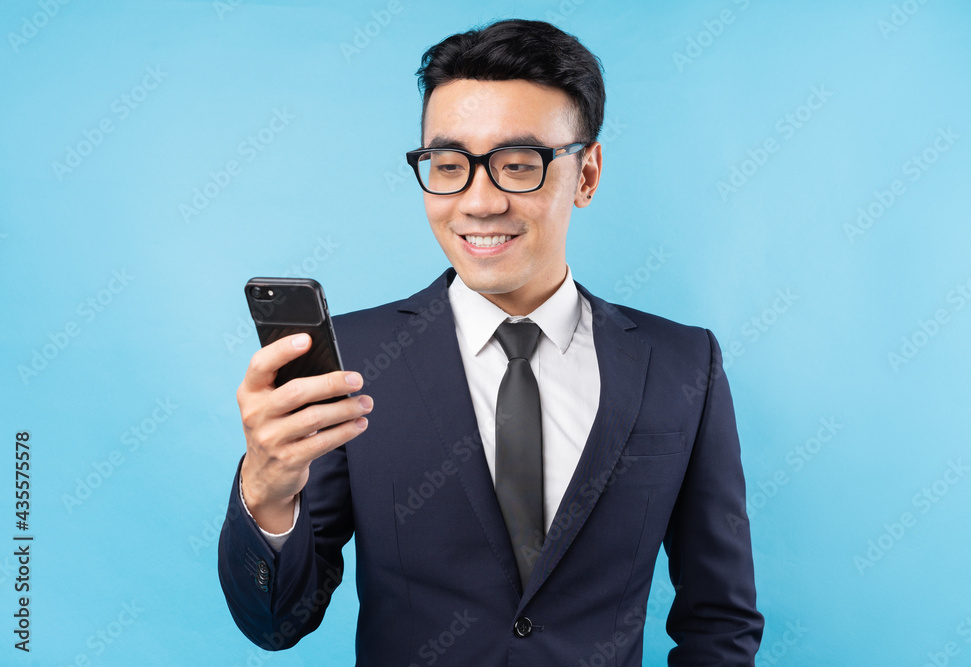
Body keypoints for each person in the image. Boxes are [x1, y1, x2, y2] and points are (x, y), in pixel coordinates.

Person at [218, 17, 764, 665]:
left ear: (586, 174)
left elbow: (720, 619)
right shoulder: (354, 361)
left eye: (517, 164)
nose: (478, 202)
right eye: (448, 165)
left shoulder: (681, 364)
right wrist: (267, 492)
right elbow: (278, 623)